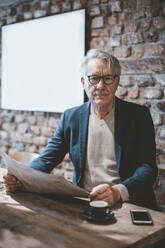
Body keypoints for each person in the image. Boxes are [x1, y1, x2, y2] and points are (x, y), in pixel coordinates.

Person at [3, 49, 158, 210]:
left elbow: (147, 168)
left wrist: (118, 191)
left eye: (108, 78)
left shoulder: (138, 116)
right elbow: (46, 159)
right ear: (83, 82)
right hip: (84, 201)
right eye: (94, 78)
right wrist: (22, 178)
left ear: (117, 81)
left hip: (127, 202)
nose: (100, 86)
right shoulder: (71, 117)